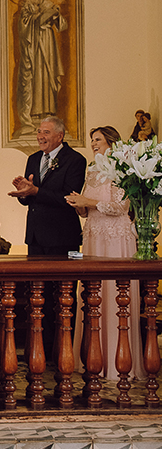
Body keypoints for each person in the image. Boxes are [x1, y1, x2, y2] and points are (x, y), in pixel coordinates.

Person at [66, 125, 145, 380]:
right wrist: (79, 206)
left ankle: (119, 361)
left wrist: (88, 203)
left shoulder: (122, 168)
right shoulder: (91, 170)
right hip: (93, 236)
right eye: (92, 140)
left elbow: (121, 206)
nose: (93, 143)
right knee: (92, 294)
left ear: (111, 141)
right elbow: (90, 207)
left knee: (114, 293)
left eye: (97, 139)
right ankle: (92, 358)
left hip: (115, 238)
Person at [10, 115, 86, 354]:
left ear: (59, 136)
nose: (40, 136)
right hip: (36, 236)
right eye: (39, 132)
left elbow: (69, 199)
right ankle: (37, 349)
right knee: (37, 295)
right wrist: (24, 193)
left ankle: (61, 352)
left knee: (62, 297)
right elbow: (31, 198)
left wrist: (36, 191)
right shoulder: (33, 159)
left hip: (63, 237)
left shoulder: (75, 161)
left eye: (45, 132)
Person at [15, 0, 67, 135]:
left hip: (48, 43)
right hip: (34, 47)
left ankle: (49, 113)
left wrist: (56, 14)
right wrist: (37, 18)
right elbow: (23, 26)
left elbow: (62, 26)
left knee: (48, 77)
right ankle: (35, 114)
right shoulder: (29, 5)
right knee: (36, 78)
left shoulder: (51, 5)